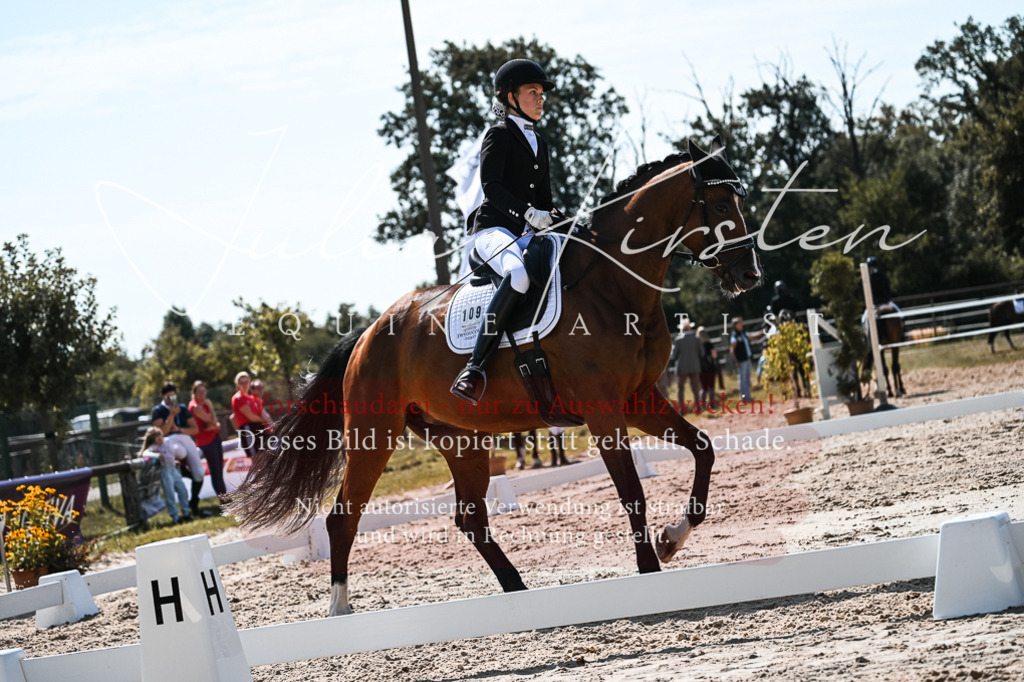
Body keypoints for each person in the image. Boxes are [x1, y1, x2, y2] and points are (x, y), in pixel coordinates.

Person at [451, 58, 559, 405]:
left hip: (525, 234)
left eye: (541, 93)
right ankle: (474, 367)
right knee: (518, 275)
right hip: (492, 232)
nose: (540, 99)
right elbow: (492, 187)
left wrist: (557, 217)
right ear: (511, 96)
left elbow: (545, 200)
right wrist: (528, 212)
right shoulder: (497, 135)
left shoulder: (540, 144)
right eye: (533, 92)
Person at [151, 381, 205, 516]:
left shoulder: (182, 408)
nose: (171, 399)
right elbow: (161, 433)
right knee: (180, 452)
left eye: (173, 396)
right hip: (169, 441)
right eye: (168, 396)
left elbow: (195, 429)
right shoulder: (158, 411)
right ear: (162, 396)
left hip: (184, 437)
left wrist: (179, 429)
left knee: (199, 474)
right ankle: (179, 470)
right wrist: (171, 415)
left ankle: (194, 503)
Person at [139, 427, 191, 524]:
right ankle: (175, 516)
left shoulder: (167, 442)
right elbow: (145, 453)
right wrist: (157, 456)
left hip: (174, 469)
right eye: (157, 438)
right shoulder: (155, 447)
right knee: (169, 493)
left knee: (182, 490)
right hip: (165, 470)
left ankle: (186, 513)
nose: (160, 439)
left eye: (160, 436)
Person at [188, 380, 226, 502]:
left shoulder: (203, 404)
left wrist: (213, 424)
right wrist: (210, 407)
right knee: (215, 471)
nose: (202, 395)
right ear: (194, 393)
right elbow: (213, 421)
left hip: (215, 437)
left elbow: (212, 424)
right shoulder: (194, 406)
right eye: (199, 392)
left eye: (204, 392)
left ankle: (225, 498)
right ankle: (223, 500)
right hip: (206, 442)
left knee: (219, 470)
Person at [669, 320, 704, 411]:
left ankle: (682, 409)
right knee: (696, 388)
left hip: (682, 368)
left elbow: (673, 356)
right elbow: (702, 353)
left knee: (680, 388)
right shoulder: (696, 339)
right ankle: (698, 407)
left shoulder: (678, 340)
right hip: (695, 367)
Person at [232, 371, 268, 457]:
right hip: (248, 430)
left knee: (263, 458)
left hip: (258, 429)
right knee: (256, 459)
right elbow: (251, 417)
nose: (244, 385)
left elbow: (232, 417)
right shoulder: (238, 398)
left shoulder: (251, 398)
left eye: (246, 382)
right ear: (237, 384)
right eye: (241, 383)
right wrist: (266, 422)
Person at [730, 317, 754, 402]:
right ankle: (743, 397)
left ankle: (748, 396)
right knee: (742, 379)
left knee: (747, 379)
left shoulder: (743, 333)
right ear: (736, 325)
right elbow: (732, 350)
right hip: (741, 360)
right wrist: (736, 362)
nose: (742, 324)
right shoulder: (735, 335)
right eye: (740, 323)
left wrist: (763, 331)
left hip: (747, 359)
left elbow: (752, 336)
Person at [696, 326, 720, 411]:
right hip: (711, 368)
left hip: (701, 369)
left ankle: (703, 406)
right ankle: (712, 405)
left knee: (703, 388)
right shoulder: (710, 344)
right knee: (711, 387)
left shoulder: (697, 345)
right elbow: (714, 355)